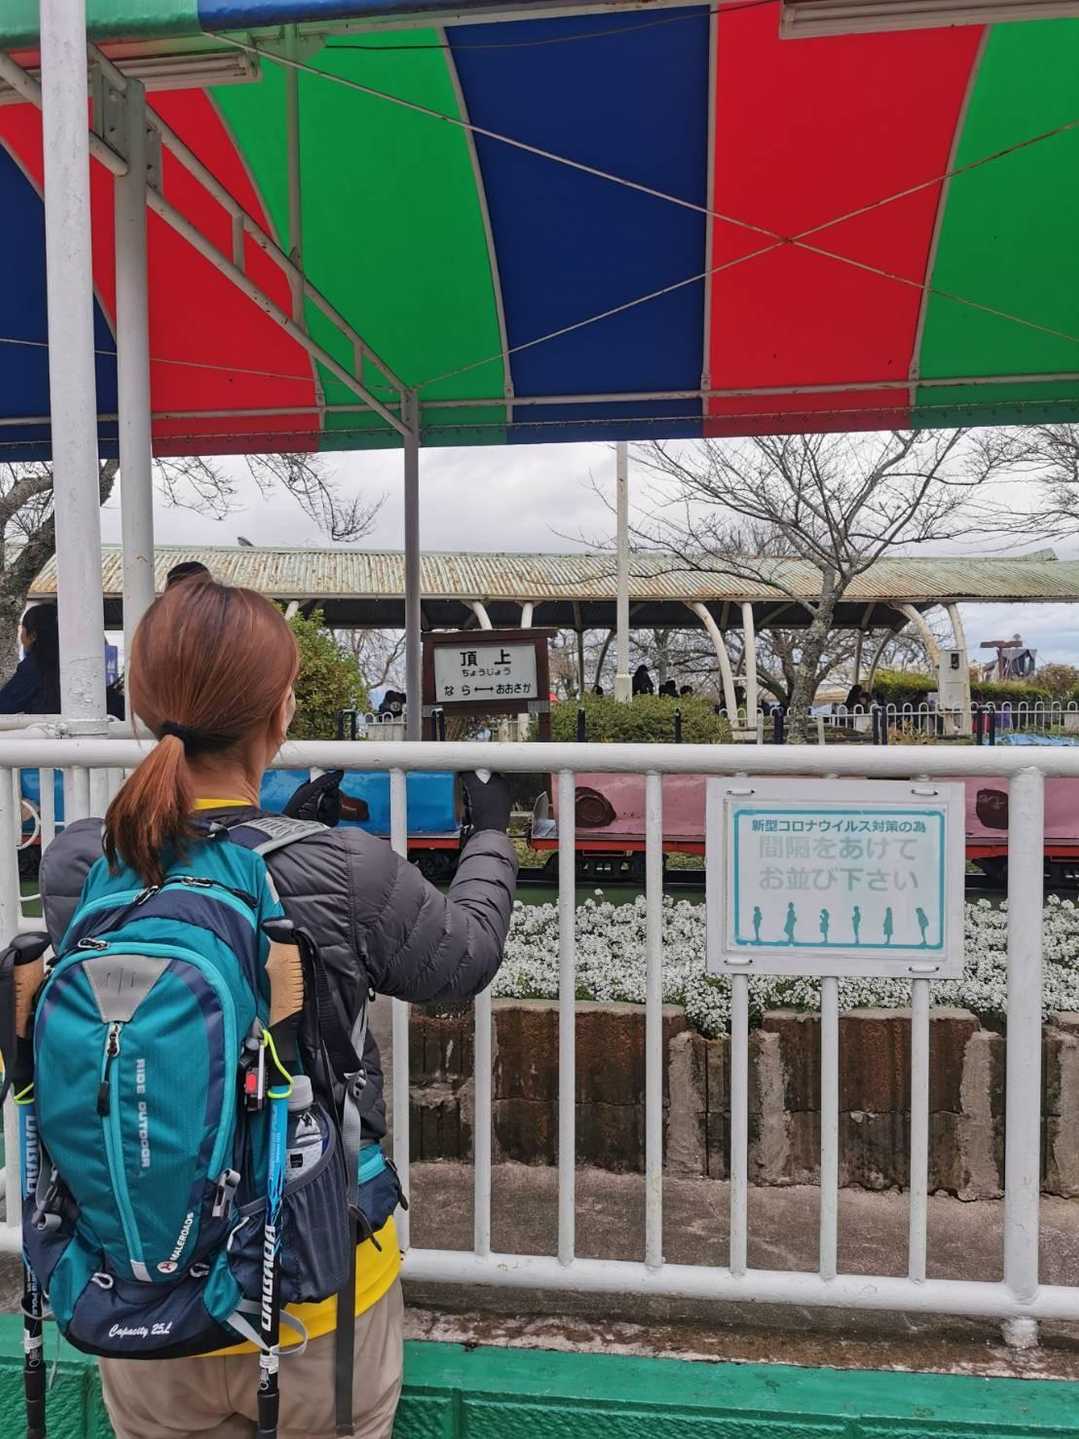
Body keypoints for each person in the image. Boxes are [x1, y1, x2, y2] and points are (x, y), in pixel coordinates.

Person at [38, 577, 518, 1439]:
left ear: (142, 705)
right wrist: (490, 832)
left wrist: (274, 827)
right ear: (281, 709)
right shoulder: (341, 866)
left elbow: (195, 870)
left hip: (139, 1288)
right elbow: (464, 957)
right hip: (314, 1287)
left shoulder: (85, 864)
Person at [0, 603, 60, 714]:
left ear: (33, 635)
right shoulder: (66, 660)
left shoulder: (35, 665)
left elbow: (5, 703)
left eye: (22, 628)